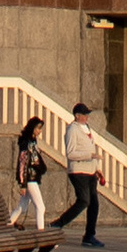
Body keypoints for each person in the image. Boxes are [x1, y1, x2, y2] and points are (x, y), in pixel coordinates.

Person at [49, 100, 104, 244]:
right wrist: (90, 156)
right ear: (77, 115)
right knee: (84, 200)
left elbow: (92, 150)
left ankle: (89, 235)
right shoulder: (72, 130)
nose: (87, 117)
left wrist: (97, 168)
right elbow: (71, 153)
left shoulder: (87, 129)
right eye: (84, 114)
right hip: (78, 171)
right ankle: (58, 224)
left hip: (90, 171)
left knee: (94, 204)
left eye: (87, 114)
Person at [9, 116, 48, 230]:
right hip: (29, 179)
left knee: (23, 206)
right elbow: (23, 164)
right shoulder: (26, 143)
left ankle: (8, 224)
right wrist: (23, 184)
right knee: (40, 207)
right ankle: (41, 233)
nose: (39, 131)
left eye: (40, 129)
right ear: (32, 128)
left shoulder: (33, 142)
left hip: (32, 177)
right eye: (38, 128)